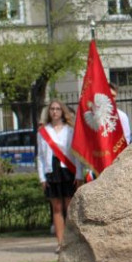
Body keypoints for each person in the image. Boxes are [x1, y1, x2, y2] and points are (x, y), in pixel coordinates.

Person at [37, 99, 83, 250]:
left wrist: (78, 173)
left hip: (67, 170)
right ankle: (61, 242)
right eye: (52, 109)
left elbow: (76, 154)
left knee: (69, 207)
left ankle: (72, 240)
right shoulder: (43, 132)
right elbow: (40, 156)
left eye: (57, 109)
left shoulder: (70, 130)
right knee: (56, 208)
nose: (55, 112)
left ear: (62, 111)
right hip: (52, 170)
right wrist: (42, 177)